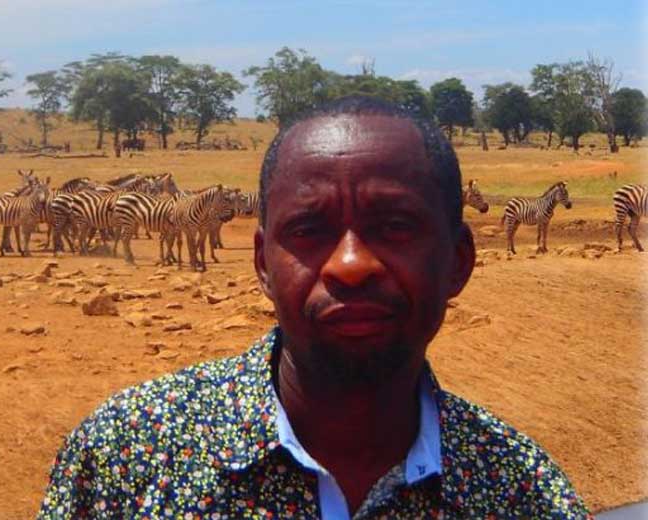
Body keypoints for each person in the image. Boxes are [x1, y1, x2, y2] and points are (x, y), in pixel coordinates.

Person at [37, 96, 590, 519]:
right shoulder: (124, 455)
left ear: (459, 262)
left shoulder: (527, 493)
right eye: (308, 230)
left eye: (395, 227)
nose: (350, 265)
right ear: (262, 264)